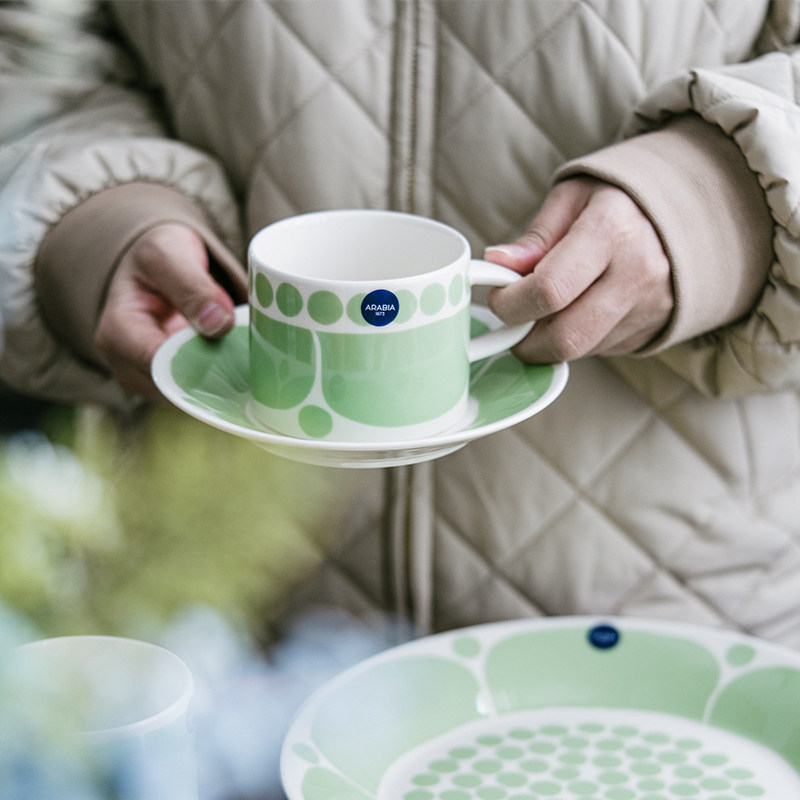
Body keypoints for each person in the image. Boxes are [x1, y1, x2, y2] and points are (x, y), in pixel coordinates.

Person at [2, 0, 800, 648]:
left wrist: (716, 209)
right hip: (224, 635)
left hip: (672, 630)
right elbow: (30, 73)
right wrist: (99, 224)